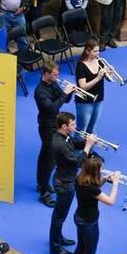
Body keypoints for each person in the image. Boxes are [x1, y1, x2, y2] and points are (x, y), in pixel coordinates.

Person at [49, 112, 97, 254]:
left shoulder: (63, 136)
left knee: (60, 215)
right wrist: (88, 146)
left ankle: (58, 238)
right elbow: (79, 161)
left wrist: (87, 141)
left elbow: (74, 143)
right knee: (59, 216)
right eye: (73, 124)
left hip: (65, 179)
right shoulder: (60, 144)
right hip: (64, 183)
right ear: (64, 126)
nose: (75, 126)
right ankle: (55, 246)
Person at [35, 62, 75, 207]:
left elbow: (63, 100)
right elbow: (52, 108)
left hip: (54, 124)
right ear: (46, 74)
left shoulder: (53, 84)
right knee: (49, 161)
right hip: (47, 126)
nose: (57, 77)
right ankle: (44, 193)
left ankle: (41, 184)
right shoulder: (40, 91)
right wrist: (65, 94)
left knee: (44, 157)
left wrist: (70, 92)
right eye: (55, 75)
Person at [73, 157, 120, 254]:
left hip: (79, 216)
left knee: (80, 247)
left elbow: (95, 186)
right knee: (89, 252)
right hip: (89, 223)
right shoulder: (91, 189)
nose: (102, 171)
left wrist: (105, 179)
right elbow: (110, 201)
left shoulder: (79, 178)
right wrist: (116, 183)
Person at [75, 40, 109, 134]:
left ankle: (89, 148)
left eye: (98, 51)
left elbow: (107, 78)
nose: (97, 54)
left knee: (92, 129)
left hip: (98, 99)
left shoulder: (99, 62)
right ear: (87, 51)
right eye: (94, 51)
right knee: (82, 130)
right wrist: (97, 78)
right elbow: (83, 87)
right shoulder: (80, 66)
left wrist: (108, 73)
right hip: (85, 102)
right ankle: (79, 149)